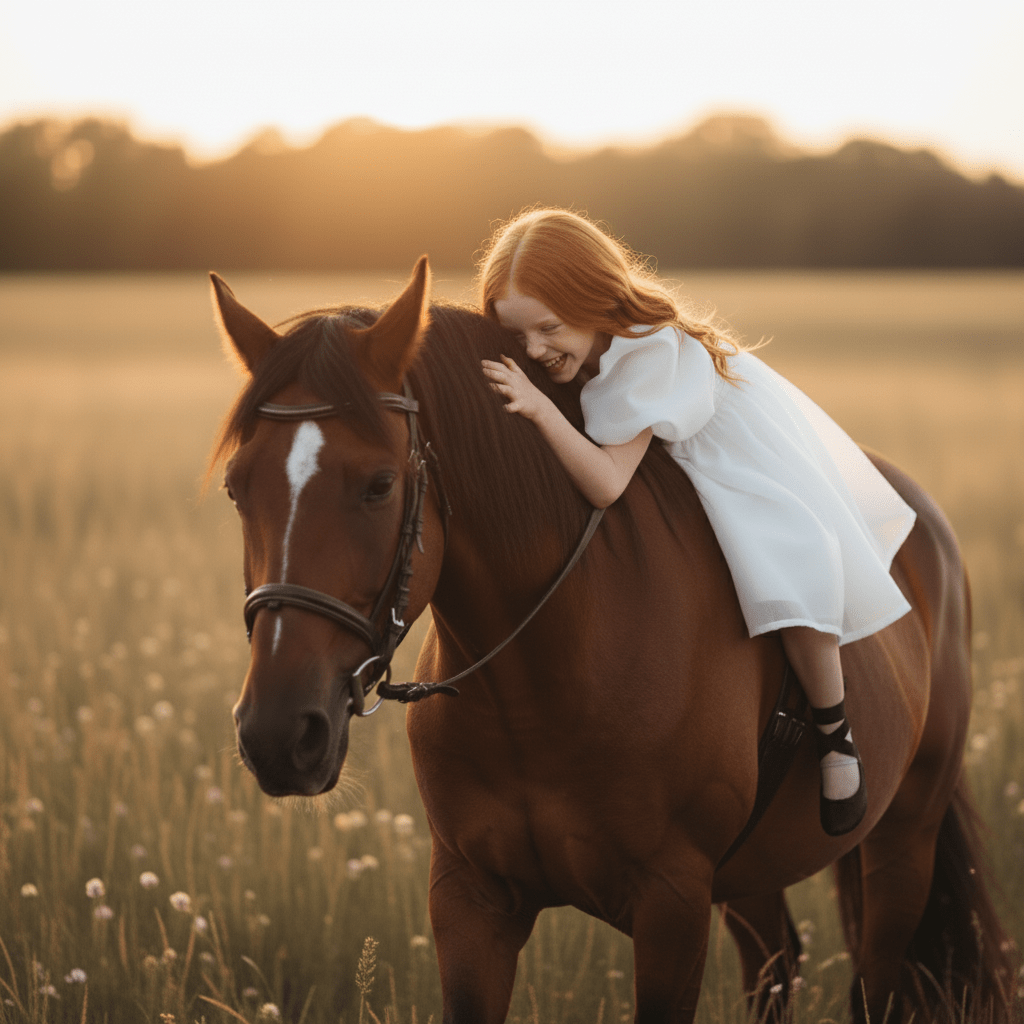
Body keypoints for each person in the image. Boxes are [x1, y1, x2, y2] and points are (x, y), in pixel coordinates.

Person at [479, 208, 916, 837]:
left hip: (730, 459)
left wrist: (540, 411)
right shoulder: (569, 351)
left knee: (788, 559)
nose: (534, 351)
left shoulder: (646, 355)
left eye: (548, 328)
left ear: (596, 300)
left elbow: (604, 483)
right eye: (516, 337)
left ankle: (834, 730)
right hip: (670, 464)